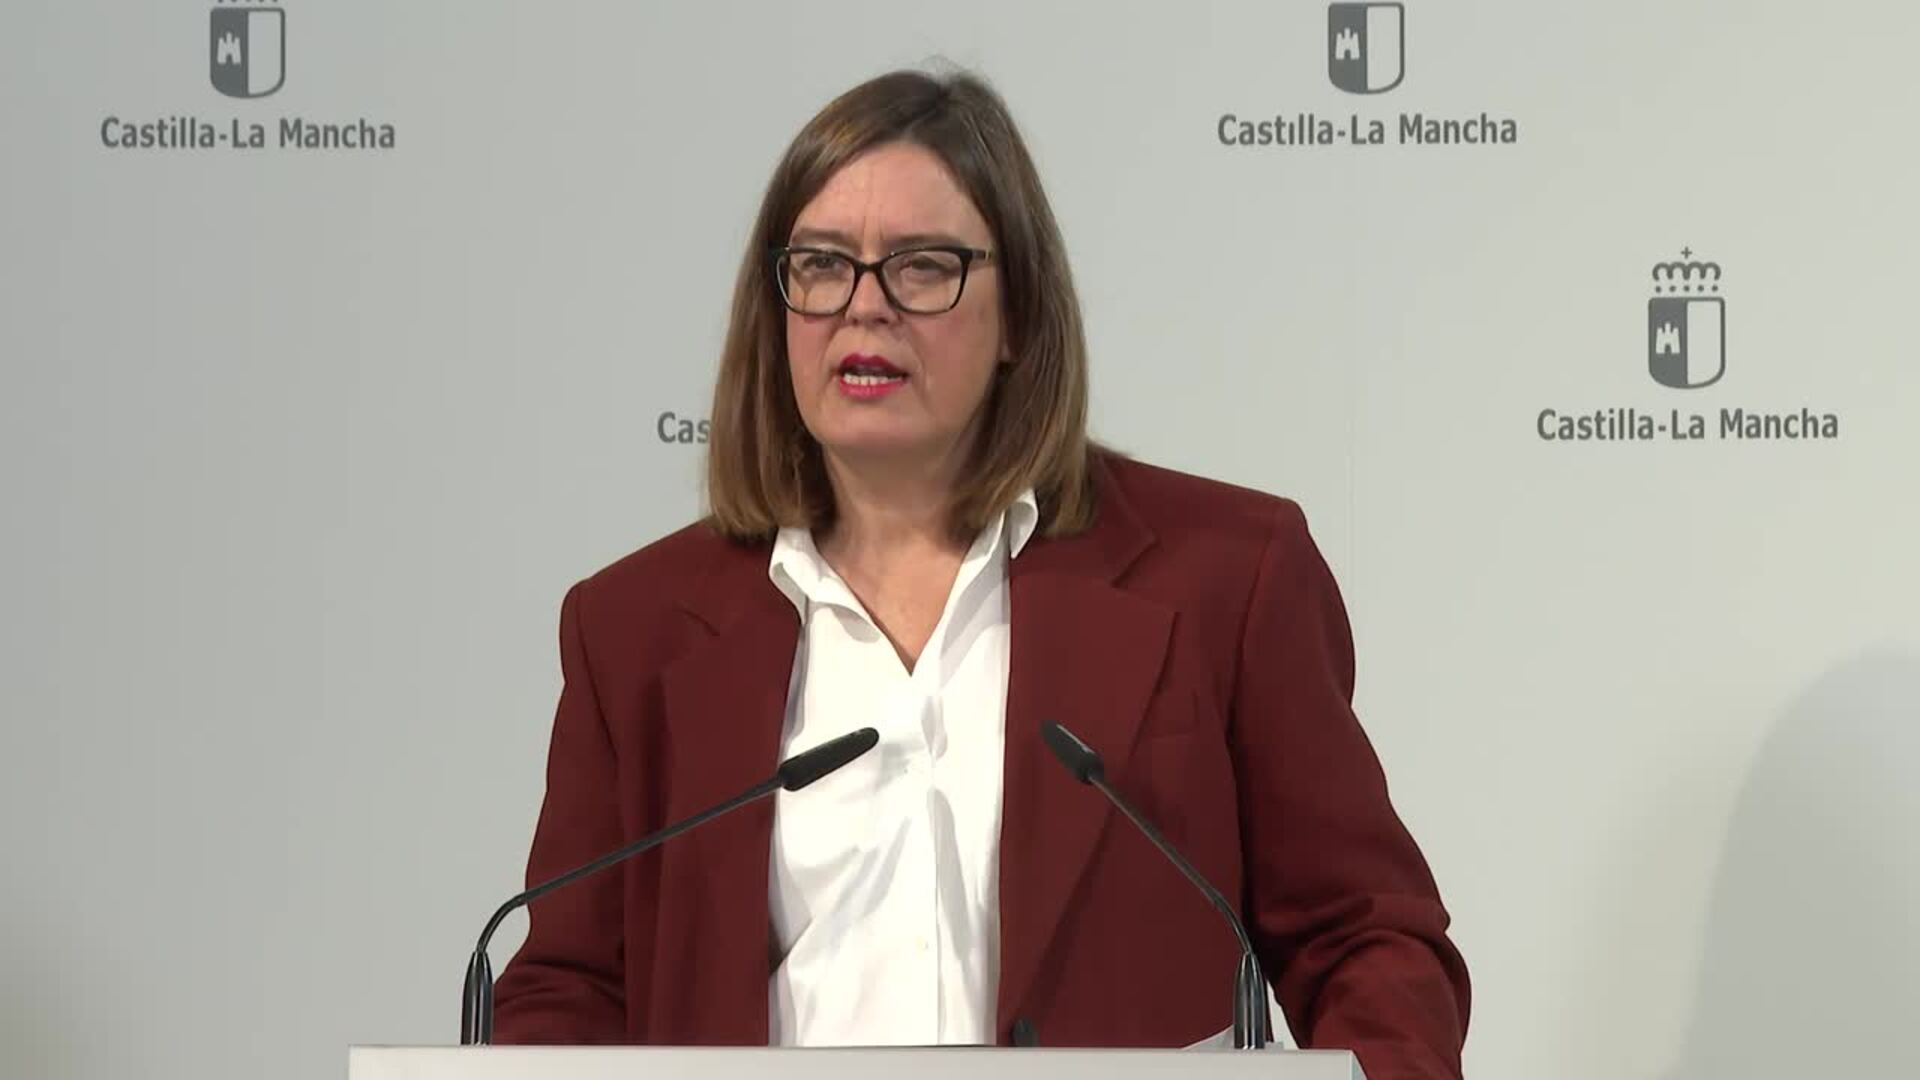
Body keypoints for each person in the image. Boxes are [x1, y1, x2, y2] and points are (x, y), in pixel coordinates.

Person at [492, 68, 1470, 1078]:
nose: (864, 308)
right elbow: (568, 989)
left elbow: (1366, 939)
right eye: (821, 265)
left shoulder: (1224, 579)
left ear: (1020, 319)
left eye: (922, 267)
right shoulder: (635, 627)